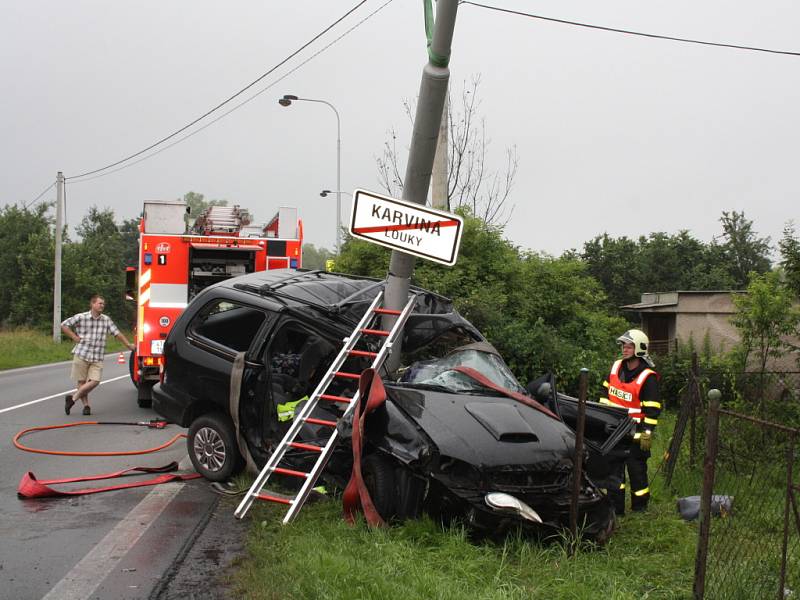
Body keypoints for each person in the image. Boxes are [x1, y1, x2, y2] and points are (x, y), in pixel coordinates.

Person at [600, 329, 661, 515]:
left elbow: (652, 409)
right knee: (614, 472)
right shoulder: (616, 367)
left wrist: (647, 432)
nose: (624, 349)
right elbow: (604, 396)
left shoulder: (647, 377)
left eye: (629, 346)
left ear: (640, 349)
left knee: (637, 473)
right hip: (613, 432)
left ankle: (640, 509)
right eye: (623, 346)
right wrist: (602, 422)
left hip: (635, 434)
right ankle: (615, 509)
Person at [60, 295, 134, 416]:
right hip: (82, 353)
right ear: (92, 304)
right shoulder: (81, 317)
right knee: (81, 381)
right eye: (100, 303)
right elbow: (64, 324)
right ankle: (86, 406)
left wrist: (127, 344)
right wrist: (74, 336)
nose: (102, 306)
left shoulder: (106, 320)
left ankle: (72, 399)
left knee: (95, 381)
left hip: (97, 355)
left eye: (103, 304)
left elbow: (117, 333)